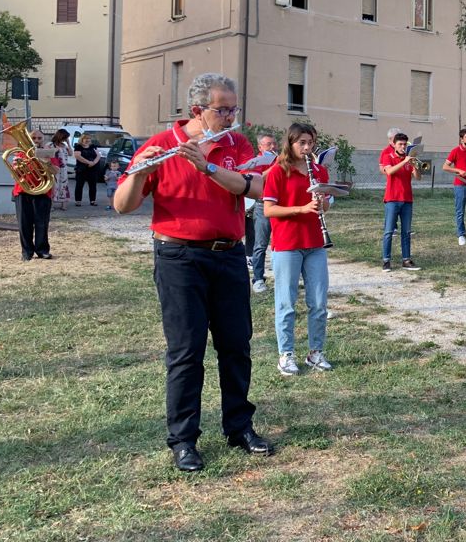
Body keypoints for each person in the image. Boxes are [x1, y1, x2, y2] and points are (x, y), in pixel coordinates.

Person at [114, 72, 272, 472]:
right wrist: (139, 173)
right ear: (197, 111)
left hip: (229, 255)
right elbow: (122, 205)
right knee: (186, 352)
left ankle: (239, 427)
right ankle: (184, 439)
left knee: (236, 346)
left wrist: (208, 168)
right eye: (223, 110)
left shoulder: (236, 143)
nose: (231, 116)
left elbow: (254, 188)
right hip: (179, 258)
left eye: (234, 108)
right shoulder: (161, 146)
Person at [263, 122, 333, 376]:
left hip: (315, 243)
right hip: (287, 244)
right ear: (290, 143)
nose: (307, 147)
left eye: (310, 142)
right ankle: (286, 355)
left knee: (318, 303)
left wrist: (323, 202)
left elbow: (325, 207)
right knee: (286, 303)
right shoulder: (278, 171)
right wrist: (301, 209)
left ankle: (316, 352)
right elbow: (269, 209)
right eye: (301, 142)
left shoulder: (319, 171)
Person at [380, 132, 421, 272]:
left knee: (406, 231)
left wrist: (414, 164)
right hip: (392, 199)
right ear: (394, 145)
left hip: (407, 199)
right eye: (400, 144)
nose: (403, 147)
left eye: (405, 144)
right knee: (388, 231)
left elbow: (418, 178)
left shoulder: (409, 160)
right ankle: (386, 260)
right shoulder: (388, 157)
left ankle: (406, 260)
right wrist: (404, 161)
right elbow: (390, 171)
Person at [13, 129, 54, 260]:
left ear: (43, 139)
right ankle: (26, 252)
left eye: (39, 138)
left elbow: (57, 170)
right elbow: (15, 173)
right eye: (34, 138)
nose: (36, 141)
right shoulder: (20, 153)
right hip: (23, 191)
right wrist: (17, 166)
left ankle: (42, 250)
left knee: (42, 223)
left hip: (43, 192)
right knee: (24, 223)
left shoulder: (49, 154)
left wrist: (46, 162)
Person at [250, 133, 278, 293]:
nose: (273, 147)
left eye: (274, 144)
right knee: (260, 245)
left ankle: (282, 275)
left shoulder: (278, 159)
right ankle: (258, 278)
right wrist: (276, 167)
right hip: (262, 205)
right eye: (268, 144)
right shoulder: (256, 161)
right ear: (260, 147)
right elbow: (258, 179)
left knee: (280, 242)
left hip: (279, 204)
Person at [73, 133, 100, 206]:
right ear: (82, 139)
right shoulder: (78, 147)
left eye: (89, 138)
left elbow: (98, 155)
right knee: (79, 185)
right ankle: (78, 201)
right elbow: (78, 156)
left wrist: (93, 162)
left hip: (92, 169)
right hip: (81, 169)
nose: (87, 140)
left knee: (93, 186)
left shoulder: (93, 147)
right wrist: (88, 162)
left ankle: (92, 201)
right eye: (86, 138)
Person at [50, 129, 72, 211]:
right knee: (54, 185)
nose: (65, 139)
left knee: (64, 185)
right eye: (65, 137)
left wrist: (69, 143)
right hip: (54, 168)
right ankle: (52, 204)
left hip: (64, 169)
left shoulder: (64, 145)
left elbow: (70, 154)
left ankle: (64, 204)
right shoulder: (51, 145)